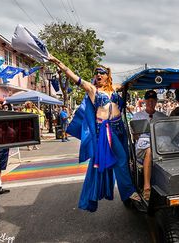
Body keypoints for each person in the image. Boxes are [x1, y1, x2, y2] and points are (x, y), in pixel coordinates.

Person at [48, 54, 141, 212]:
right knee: (121, 159)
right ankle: (129, 192)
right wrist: (56, 61)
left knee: (126, 159)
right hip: (106, 131)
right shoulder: (93, 90)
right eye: (96, 73)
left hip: (120, 129)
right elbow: (73, 77)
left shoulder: (115, 88)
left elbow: (131, 82)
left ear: (107, 76)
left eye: (102, 72)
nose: (98, 74)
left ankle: (131, 190)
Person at [132, 90, 166, 201]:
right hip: (144, 146)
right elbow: (135, 137)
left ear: (156, 101)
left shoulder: (162, 116)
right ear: (145, 101)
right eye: (148, 100)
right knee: (150, 150)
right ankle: (147, 187)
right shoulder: (137, 116)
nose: (151, 103)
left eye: (153, 100)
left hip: (160, 145)